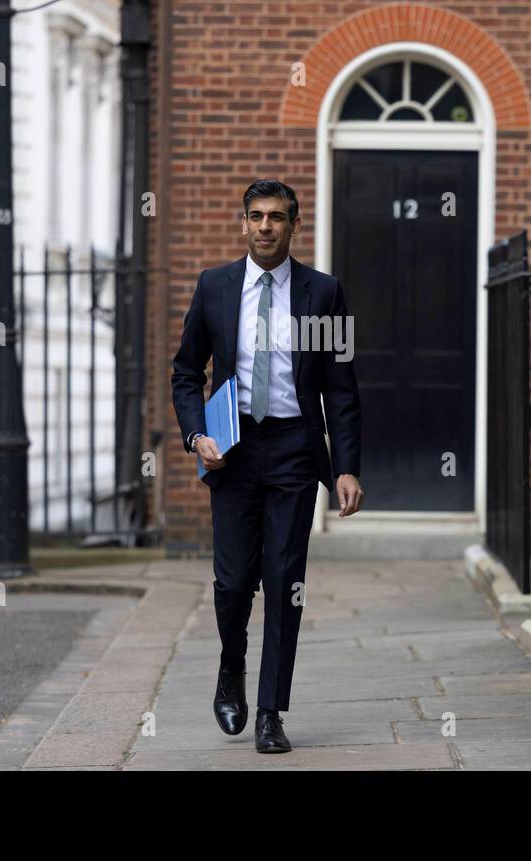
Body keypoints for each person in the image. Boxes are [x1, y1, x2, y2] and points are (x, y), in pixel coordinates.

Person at [170, 178, 364, 753]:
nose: (265, 227)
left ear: (294, 225)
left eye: (277, 217)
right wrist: (195, 433)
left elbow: (342, 387)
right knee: (233, 584)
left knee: (284, 584)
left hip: (294, 453)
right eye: (255, 216)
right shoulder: (214, 288)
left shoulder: (323, 293)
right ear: (243, 222)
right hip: (232, 452)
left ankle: (270, 711)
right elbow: (186, 371)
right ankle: (232, 667)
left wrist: (346, 466)